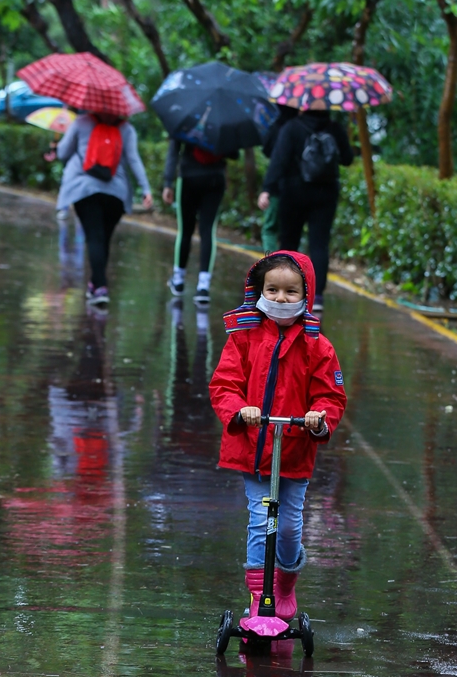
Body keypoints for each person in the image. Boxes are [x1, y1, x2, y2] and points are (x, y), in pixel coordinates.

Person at [209, 250, 346, 621]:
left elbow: (330, 395)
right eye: (272, 290)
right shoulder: (244, 335)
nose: (281, 299)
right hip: (252, 451)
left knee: (287, 527)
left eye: (290, 292)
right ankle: (258, 598)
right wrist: (239, 409)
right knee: (260, 520)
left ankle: (285, 585)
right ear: (258, 291)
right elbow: (224, 383)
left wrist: (319, 418)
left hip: (295, 450)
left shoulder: (318, 345)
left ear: (306, 295)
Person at [257, 109, 353, 311]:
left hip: (293, 192)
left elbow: (279, 160)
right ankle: (316, 297)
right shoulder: (335, 128)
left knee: (289, 242)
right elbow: (347, 158)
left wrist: (268, 189)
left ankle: (286, 292)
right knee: (319, 244)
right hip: (326, 194)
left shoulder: (291, 127)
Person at [57, 111, 153, 308]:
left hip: (84, 189)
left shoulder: (81, 122)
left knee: (94, 237)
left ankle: (100, 286)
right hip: (116, 192)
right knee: (103, 239)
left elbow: (63, 153)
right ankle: (95, 284)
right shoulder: (126, 129)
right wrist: (146, 189)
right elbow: (133, 160)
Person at [162, 139, 236, 307]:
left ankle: (179, 279)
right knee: (208, 231)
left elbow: (174, 149)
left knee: (185, 230)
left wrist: (168, 182)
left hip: (189, 176)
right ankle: (203, 286)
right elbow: (234, 153)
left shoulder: (187, 116)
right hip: (215, 178)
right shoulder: (223, 119)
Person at [260, 105, 297, 253]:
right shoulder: (298, 126)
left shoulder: (276, 126)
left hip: (276, 186)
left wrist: (266, 189)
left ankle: (271, 266)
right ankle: (287, 270)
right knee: (290, 233)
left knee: (269, 228)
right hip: (296, 186)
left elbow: (266, 149)